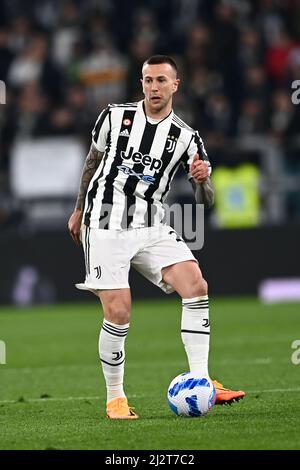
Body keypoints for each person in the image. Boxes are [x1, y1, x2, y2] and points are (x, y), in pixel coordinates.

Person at [68, 55, 245, 419]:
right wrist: (78, 207)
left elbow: (205, 201)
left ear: (175, 85)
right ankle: (115, 398)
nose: (153, 87)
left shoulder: (186, 137)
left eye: (161, 81)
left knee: (196, 284)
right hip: (105, 223)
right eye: (148, 80)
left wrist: (202, 180)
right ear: (142, 83)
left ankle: (202, 379)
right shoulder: (114, 116)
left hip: (151, 225)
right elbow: (92, 162)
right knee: (119, 311)